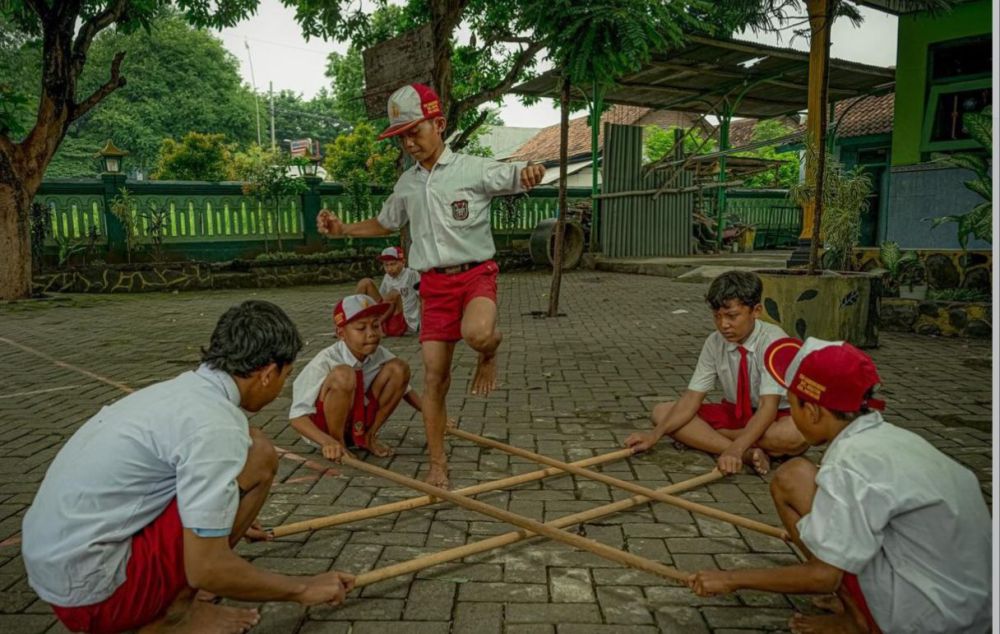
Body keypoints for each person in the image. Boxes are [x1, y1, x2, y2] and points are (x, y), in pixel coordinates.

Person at [22, 301, 355, 634]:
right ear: (268, 374)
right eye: (286, 374)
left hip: (54, 570)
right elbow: (206, 569)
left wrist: (218, 512)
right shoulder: (217, 427)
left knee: (250, 447)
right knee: (259, 454)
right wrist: (303, 588)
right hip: (95, 598)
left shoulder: (179, 392)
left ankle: (175, 589)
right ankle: (175, 615)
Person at [316, 82, 546, 488]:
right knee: (434, 378)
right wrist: (341, 229)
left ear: (438, 123)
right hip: (433, 287)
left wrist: (531, 172)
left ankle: (489, 352)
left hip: (475, 275)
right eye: (400, 136)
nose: (408, 142)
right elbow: (386, 223)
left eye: (414, 131)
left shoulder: (472, 168)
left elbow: (518, 174)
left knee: (477, 334)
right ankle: (438, 462)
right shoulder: (406, 184)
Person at [688, 337, 992, 634]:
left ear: (813, 411)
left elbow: (824, 577)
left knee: (822, 545)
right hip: (973, 604)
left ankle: (864, 622)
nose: (791, 415)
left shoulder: (849, 464)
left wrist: (731, 579)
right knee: (792, 477)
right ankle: (856, 613)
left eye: (792, 405)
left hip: (932, 619)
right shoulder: (890, 438)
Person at [625, 271, 807, 475]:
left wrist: (734, 448)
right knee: (661, 412)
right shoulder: (714, 342)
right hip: (736, 412)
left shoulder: (775, 343)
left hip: (774, 416)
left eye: (732, 316)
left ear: (756, 311)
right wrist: (654, 436)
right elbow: (693, 397)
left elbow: (768, 408)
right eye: (717, 317)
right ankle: (750, 454)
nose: (723, 325)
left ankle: (715, 440)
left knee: (794, 435)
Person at [289, 294, 429, 459]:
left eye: (376, 326)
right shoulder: (324, 361)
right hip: (324, 430)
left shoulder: (378, 353)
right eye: (361, 328)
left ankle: (368, 437)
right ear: (341, 333)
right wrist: (326, 441)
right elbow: (297, 417)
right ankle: (338, 444)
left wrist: (431, 414)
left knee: (399, 368)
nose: (371, 334)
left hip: (358, 423)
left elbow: (405, 389)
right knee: (344, 374)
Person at [355, 245, 421, 337]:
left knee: (394, 294)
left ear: (403, 262)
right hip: (388, 317)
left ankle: (376, 324)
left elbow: (422, 297)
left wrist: (426, 325)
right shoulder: (387, 276)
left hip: (405, 322)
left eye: (393, 264)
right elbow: (382, 300)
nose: (389, 269)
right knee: (365, 282)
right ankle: (353, 320)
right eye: (386, 265)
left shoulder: (412, 274)